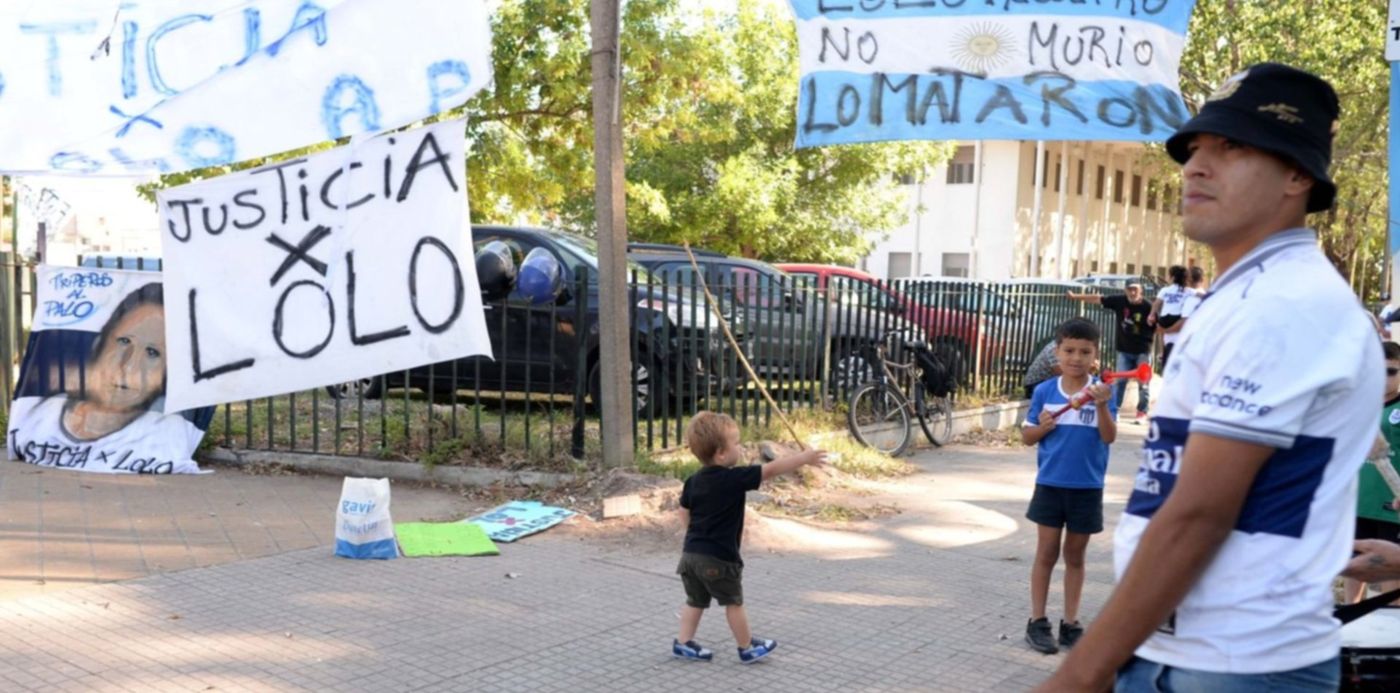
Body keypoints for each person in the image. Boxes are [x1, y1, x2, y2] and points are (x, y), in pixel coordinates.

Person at [1037, 64, 1382, 692]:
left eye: (1232, 147)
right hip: (1184, 654)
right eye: (1194, 148)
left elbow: (1199, 513)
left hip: (1233, 668)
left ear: (1298, 175)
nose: (1195, 166)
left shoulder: (1285, 305)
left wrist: (1081, 674)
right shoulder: (1245, 294)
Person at [671, 411, 826, 664]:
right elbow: (770, 470)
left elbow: (683, 511)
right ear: (721, 452)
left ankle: (684, 643)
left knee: (695, 601)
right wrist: (803, 458)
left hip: (690, 556)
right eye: (736, 442)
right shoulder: (734, 478)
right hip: (719, 558)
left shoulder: (692, 481)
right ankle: (746, 647)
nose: (740, 447)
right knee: (733, 602)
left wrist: (693, 537)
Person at [7, 283, 203, 474]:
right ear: (99, 344)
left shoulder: (167, 433)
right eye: (124, 341)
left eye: (153, 353)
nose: (129, 366)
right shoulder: (41, 413)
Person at [1021, 318, 1117, 655]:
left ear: (1095, 355)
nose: (1076, 357)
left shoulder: (1102, 392)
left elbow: (1109, 436)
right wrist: (1043, 427)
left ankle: (1071, 622)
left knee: (1075, 555)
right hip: (1050, 484)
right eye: (1069, 350)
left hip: (1087, 487)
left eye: (1084, 351)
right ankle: (1037, 620)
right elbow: (1027, 437)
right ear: (1056, 353)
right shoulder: (1044, 392)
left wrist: (1102, 404)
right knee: (1046, 552)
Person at [1343, 341, 1400, 603]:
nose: (1384, 378)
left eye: (1391, 371)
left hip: (1391, 505)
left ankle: (1392, 630)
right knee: (1354, 565)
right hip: (1358, 501)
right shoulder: (1357, 406)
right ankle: (1351, 618)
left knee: (1390, 568)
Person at [1065, 283, 1153, 422]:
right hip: (1124, 349)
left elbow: (1158, 326)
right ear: (1125, 290)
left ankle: (1142, 412)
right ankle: (1115, 411)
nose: (1132, 292)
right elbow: (1097, 298)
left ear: (1141, 291)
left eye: (1135, 289)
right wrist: (1075, 296)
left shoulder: (1148, 306)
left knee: (1143, 382)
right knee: (1120, 382)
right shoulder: (1120, 301)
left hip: (1142, 350)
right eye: (1129, 289)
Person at [1149, 266, 1189, 371]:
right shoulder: (1186, 290)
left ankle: (1162, 352)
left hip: (1164, 318)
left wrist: (1152, 315)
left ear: (1172, 277)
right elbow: (1199, 294)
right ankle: (1163, 352)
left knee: (1161, 330)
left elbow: (1156, 304)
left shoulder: (1165, 290)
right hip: (1176, 317)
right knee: (1167, 332)